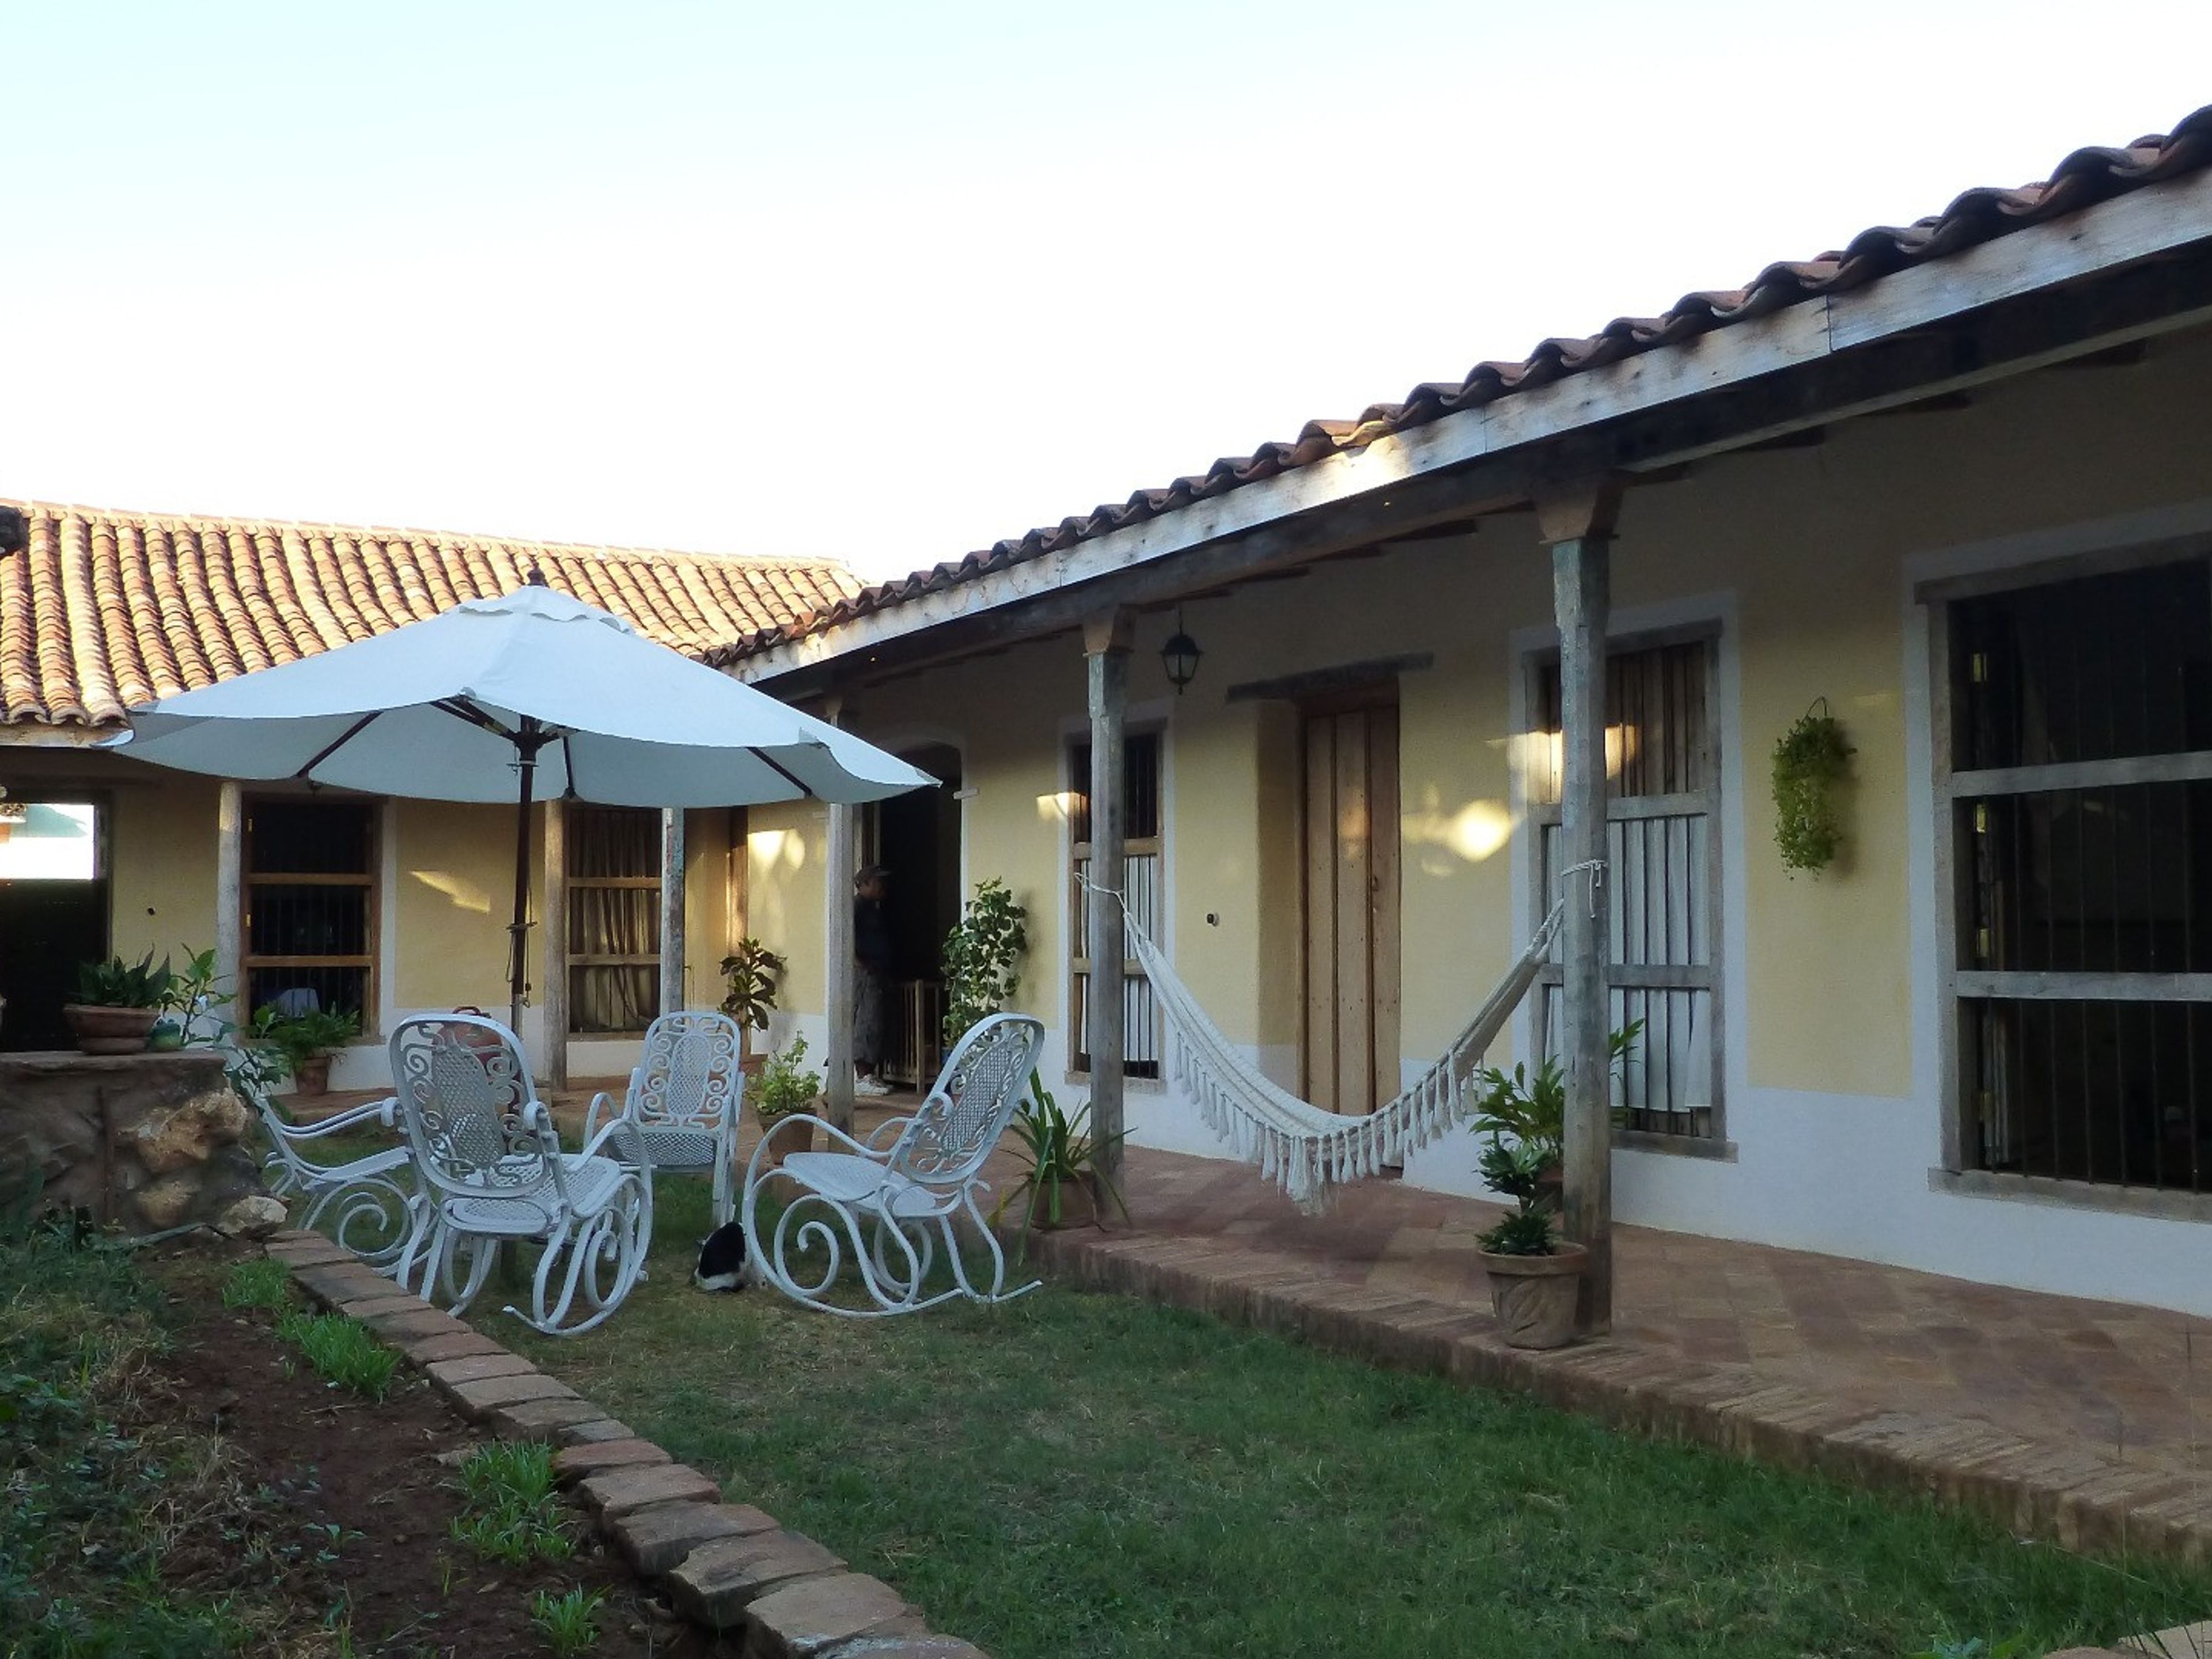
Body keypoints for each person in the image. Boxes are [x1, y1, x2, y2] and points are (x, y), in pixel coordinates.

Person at [853, 864, 893, 1097]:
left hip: (877, 971)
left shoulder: (873, 909)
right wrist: (860, 963)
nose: (881, 887)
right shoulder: (857, 907)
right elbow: (846, 935)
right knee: (867, 1020)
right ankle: (862, 1076)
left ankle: (869, 1074)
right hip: (866, 973)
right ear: (864, 884)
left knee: (877, 1020)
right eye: (876, 882)